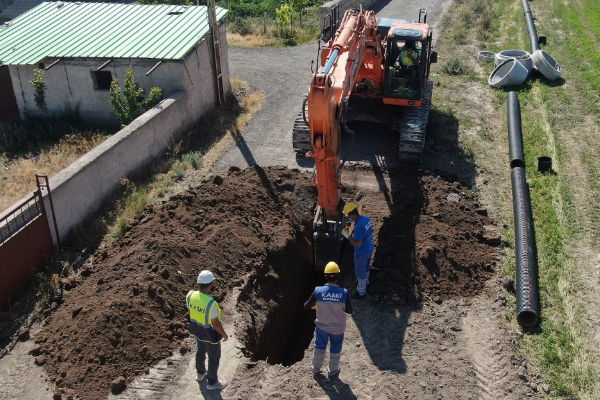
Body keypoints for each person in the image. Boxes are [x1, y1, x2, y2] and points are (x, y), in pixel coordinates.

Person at [304, 262, 353, 378]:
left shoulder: (318, 291)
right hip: (338, 327)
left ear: (325, 276)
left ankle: (316, 369)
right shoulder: (344, 293)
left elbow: (306, 306)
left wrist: (316, 303)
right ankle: (333, 370)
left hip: (322, 326)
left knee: (320, 346)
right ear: (338, 276)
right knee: (336, 347)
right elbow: (350, 311)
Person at [186, 270, 229, 391]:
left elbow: (190, 312)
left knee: (200, 351)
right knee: (214, 357)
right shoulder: (211, 304)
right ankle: (212, 382)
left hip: (197, 330)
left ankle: (200, 374)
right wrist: (224, 335)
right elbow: (215, 323)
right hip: (210, 335)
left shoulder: (190, 296)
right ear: (210, 285)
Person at [341, 203, 373, 299]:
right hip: (369, 247)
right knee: (367, 267)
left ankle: (361, 292)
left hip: (361, 252)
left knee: (360, 272)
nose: (349, 218)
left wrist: (348, 236)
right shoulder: (366, 219)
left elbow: (358, 243)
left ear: (352, 215)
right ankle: (366, 282)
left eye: (349, 216)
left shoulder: (358, 226)